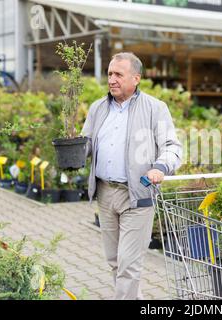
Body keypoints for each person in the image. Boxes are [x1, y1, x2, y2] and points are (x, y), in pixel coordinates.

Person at [82, 52, 182, 299]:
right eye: (109, 74)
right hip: (105, 194)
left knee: (129, 266)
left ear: (136, 78)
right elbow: (86, 144)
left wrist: (161, 166)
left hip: (136, 196)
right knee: (115, 261)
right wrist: (73, 150)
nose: (112, 80)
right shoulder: (98, 108)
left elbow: (173, 147)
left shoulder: (155, 109)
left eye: (118, 74)